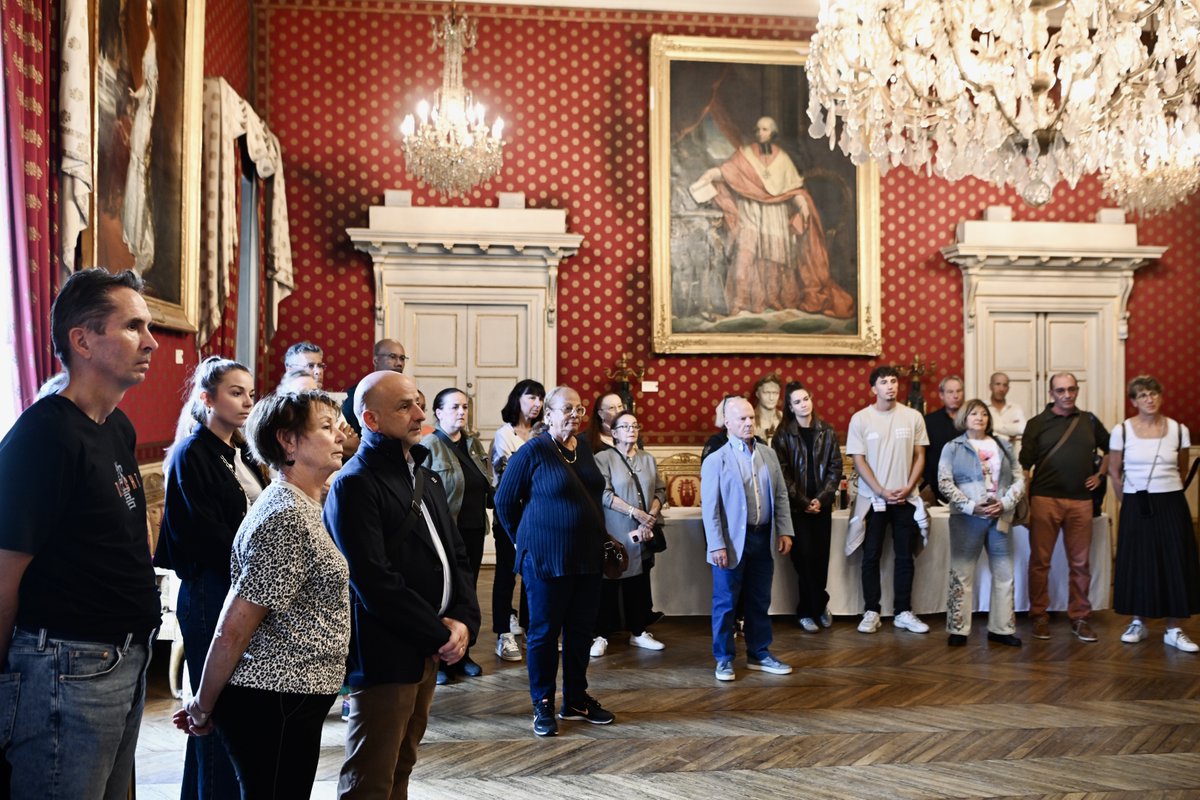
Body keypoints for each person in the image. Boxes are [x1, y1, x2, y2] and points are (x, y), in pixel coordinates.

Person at [0, 268, 160, 799]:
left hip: (124, 660)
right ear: (83, 339)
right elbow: (5, 572)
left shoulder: (116, 425)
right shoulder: (44, 434)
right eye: (134, 326)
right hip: (66, 669)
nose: (151, 342)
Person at [173, 390, 350, 797]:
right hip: (273, 697)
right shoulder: (285, 515)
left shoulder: (302, 504)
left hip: (292, 695)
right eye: (325, 427)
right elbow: (233, 627)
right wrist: (202, 704)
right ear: (288, 441)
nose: (339, 434)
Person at [325, 372, 480, 798]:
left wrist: (464, 620)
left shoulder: (423, 474)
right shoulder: (355, 483)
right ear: (371, 420)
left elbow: (458, 556)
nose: (418, 414)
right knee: (371, 775)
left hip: (429, 645)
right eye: (404, 407)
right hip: (386, 651)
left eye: (418, 402)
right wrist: (440, 634)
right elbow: (374, 582)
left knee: (402, 762)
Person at [155, 356, 265, 799]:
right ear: (207, 398)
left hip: (236, 586)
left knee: (223, 712)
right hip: (209, 589)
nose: (247, 402)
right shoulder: (191, 452)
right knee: (212, 709)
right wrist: (260, 565)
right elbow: (203, 533)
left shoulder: (238, 451)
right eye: (236, 392)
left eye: (250, 393)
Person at [494, 386, 615, 737]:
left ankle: (575, 699)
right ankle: (543, 703)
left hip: (587, 558)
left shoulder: (585, 449)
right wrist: (525, 540)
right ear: (547, 414)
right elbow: (504, 501)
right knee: (545, 635)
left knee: (580, 633)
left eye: (579, 409)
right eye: (567, 409)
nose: (575, 415)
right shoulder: (533, 451)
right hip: (546, 560)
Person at [693, 116, 853, 319]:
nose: (761, 133)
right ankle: (742, 302)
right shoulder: (745, 154)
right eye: (758, 129)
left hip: (775, 214)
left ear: (773, 133)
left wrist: (802, 204)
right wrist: (709, 174)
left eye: (765, 130)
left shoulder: (783, 158)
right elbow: (727, 172)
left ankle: (778, 299)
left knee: (776, 256)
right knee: (745, 254)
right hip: (751, 211)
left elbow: (793, 189)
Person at [701, 396, 794, 681]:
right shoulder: (716, 459)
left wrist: (785, 529)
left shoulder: (768, 454)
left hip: (763, 537)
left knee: (759, 599)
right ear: (727, 423)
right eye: (741, 418)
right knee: (726, 602)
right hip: (729, 543)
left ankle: (759, 653)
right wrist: (716, 544)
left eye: (751, 417)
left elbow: (779, 495)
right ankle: (724, 658)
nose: (748, 423)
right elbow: (710, 508)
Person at [1108, 376, 1200, 653]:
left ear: (1160, 397)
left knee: (1175, 560)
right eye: (1143, 395)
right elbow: (1114, 471)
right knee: (1139, 560)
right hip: (1136, 503)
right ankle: (1138, 622)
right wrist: (1129, 501)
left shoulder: (1177, 429)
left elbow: (1182, 470)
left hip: (1171, 501)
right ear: (1134, 401)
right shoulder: (1122, 430)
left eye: (1153, 394)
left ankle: (1174, 628)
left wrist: (1166, 489)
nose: (1149, 399)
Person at [1019, 372, 1109, 642]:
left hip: (1081, 501)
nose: (1066, 395)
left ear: (1077, 390)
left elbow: (1113, 448)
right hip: (1044, 499)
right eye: (1060, 390)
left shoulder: (1089, 421)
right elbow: (1024, 467)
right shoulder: (1036, 424)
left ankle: (1080, 617)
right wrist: (1025, 504)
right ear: (1051, 393)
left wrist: (1101, 475)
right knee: (1040, 562)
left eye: (1071, 389)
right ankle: (1038, 615)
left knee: (1080, 563)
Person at [846, 365, 931, 636]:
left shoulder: (913, 416)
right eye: (884, 382)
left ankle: (903, 611)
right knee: (871, 556)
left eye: (893, 381)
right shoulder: (861, 419)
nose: (890, 386)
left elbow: (920, 455)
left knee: (905, 556)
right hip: (874, 500)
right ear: (874, 388)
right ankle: (871, 610)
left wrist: (908, 487)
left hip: (906, 499)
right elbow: (858, 460)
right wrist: (881, 490)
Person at [937, 399, 1025, 648]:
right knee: (962, 573)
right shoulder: (952, 447)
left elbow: (1019, 478)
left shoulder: (1004, 445)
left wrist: (1005, 503)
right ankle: (958, 628)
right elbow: (944, 482)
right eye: (974, 413)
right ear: (963, 418)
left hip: (1000, 517)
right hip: (967, 518)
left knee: (1004, 573)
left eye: (984, 413)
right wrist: (969, 505)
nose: (980, 417)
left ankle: (1001, 628)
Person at [421, 386, 493, 684]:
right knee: (442, 593)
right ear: (438, 412)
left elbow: (485, 482)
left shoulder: (474, 445)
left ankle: (463, 653)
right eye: (454, 407)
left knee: (466, 592)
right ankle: (439, 658)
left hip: (475, 530)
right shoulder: (428, 445)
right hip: (445, 532)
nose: (461, 412)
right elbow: (421, 492)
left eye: (464, 407)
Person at [592, 411, 667, 656]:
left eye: (635, 425)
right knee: (610, 582)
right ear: (614, 433)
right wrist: (636, 513)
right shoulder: (603, 458)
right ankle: (600, 635)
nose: (631, 430)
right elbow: (604, 495)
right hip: (616, 531)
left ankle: (638, 632)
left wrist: (650, 518)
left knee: (639, 582)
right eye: (625, 426)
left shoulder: (648, 459)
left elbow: (660, 491)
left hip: (643, 531)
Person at [771, 381, 842, 633]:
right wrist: (803, 501)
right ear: (790, 407)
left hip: (821, 506)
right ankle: (808, 610)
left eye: (806, 399)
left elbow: (836, 468)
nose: (804, 404)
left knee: (821, 559)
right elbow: (782, 474)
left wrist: (821, 499)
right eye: (797, 401)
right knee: (804, 559)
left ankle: (816, 606)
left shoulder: (827, 431)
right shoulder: (783, 435)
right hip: (796, 508)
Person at [489, 379, 544, 662]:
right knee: (506, 574)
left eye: (540, 398)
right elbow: (508, 478)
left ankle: (530, 628)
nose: (537, 404)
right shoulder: (505, 434)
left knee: (532, 574)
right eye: (531, 397)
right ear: (517, 399)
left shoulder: (545, 434)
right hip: (510, 515)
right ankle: (503, 633)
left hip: (537, 516)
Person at [122, 0, 157, 273]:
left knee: (140, 168)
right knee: (137, 167)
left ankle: (141, 240)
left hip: (148, 113)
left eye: (149, 11)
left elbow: (151, 87)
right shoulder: (143, 43)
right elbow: (146, 85)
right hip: (143, 112)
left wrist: (142, 94)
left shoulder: (155, 44)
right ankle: (133, 235)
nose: (146, 16)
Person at [342, 338, 406, 436]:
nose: (399, 363)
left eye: (402, 358)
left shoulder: (406, 393)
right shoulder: (360, 395)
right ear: (376, 361)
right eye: (392, 357)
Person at [923, 375, 965, 504]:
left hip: (968, 486)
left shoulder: (973, 420)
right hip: (937, 487)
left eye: (959, 391)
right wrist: (930, 482)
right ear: (941, 395)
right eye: (950, 392)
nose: (955, 396)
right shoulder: (929, 422)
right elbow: (922, 455)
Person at [986, 372, 1026, 456]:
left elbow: (1022, 429)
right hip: (988, 458)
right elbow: (980, 432)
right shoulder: (982, 408)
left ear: (1008, 388)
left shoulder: (1016, 408)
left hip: (1011, 458)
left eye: (1005, 385)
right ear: (990, 386)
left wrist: (992, 427)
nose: (1001, 389)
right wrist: (1008, 435)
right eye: (998, 384)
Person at [753, 372, 784, 442]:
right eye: (766, 393)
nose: (771, 398)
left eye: (775, 393)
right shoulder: (749, 419)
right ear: (757, 394)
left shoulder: (785, 418)